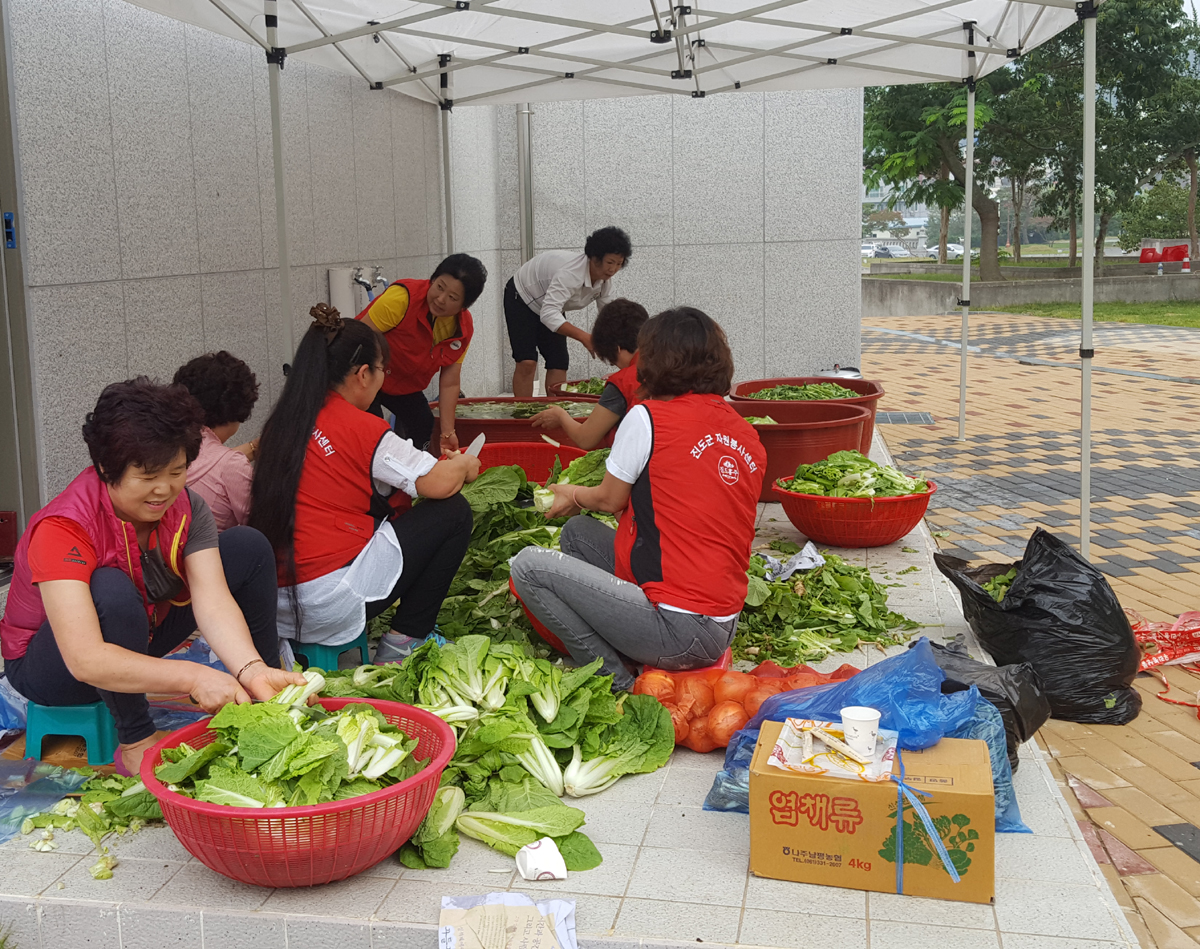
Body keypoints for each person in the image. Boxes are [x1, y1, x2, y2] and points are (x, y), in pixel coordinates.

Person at [0, 378, 303, 775]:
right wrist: (193, 677)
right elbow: (85, 658)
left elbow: (211, 600)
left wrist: (249, 668)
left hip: (138, 633)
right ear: (107, 468)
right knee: (109, 588)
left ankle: (263, 691)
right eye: (147, 476)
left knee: (246, 547)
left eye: (178, 470)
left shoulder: (186, 506)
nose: (164, 489)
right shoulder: (63, 527)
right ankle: (137, 738)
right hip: (54, 669)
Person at [510, 307, 764, 692]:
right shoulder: (744, 431)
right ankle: (635, 642)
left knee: (528, 566)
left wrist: (571, 493)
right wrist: (580, 505)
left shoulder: (648, 417)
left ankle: (616, 683)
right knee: (578, 533)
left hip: (679, 628)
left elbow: (610, 500)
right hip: (722, 623)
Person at [249, 304, 479, 664]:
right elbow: (439, 484)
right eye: (382, 371)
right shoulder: (360, 427)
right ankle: (407, 639)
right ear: (362, 374)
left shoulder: (285, 420)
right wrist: (465, 464)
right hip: (328, 602)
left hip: (274, 604)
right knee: (454, 512)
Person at [357, 254, 488, 453]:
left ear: (464, 306)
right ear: (432, 279)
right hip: (366, 374)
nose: (440, 299)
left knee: (423, 425)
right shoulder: (402, 299)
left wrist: (448, 433)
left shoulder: (463, 329)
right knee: (375, 432)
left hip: (404, 385)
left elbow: (450, 382)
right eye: (439, 287)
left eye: (452, 297)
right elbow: (356, 341)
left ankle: (414, 480)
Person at [506, 226, 632, 398]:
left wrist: (621, 348)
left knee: (559, 362)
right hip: (521, 296)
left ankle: (555, 413)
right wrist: (585, 337)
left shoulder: (604, 282)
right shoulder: (570, 274)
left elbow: (609, 317)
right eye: (610, 262)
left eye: (619, 264)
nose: (613, 270)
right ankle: (523, 415)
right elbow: (549, 313)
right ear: (594, 259)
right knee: (527, 361)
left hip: (550, 304)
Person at [531, 298, 648, 450]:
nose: (618, 368)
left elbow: (586, 439)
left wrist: (561, 416)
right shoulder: (674, 365)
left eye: (613, 361)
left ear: (617, 349)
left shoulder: (622, 382)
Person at [173, 351, 260, 531]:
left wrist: (253, 447)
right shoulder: (232, 465)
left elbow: (210, 462)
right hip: (211, 555)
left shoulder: (171, 445)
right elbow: (262, 524)